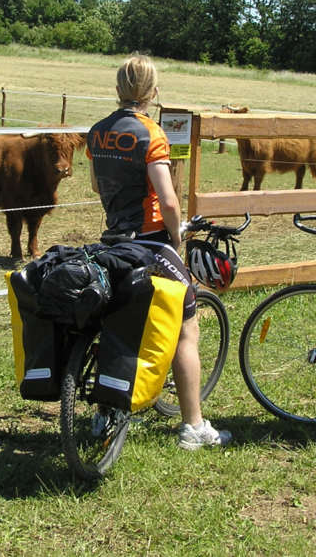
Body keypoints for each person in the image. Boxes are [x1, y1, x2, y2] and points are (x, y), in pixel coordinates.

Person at [86, 53, 231, 450]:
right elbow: (168, 200)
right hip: (149, 241)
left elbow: (99, 187)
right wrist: (176, 237)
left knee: (114, 322)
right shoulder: (152, 133)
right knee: (187, 326)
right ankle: (194, 426)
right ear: (153, 92)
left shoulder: (98, 132)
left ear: (118, 90)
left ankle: (103, 416)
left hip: (113, 240)